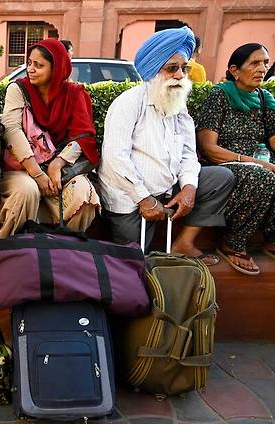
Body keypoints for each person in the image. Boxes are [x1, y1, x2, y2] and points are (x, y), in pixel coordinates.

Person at [98, 26, 235, 263]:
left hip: (168, 190)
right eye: (172, 68)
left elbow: (188, 153)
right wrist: (144, 199)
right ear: (152, 70)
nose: (180, 75)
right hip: (130, 198)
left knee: (222, 177)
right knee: (135, 264)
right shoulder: (128, 104)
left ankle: (184, 243)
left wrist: (189, 187)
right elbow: (114, 158)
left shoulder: (177, 105)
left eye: (184, 68)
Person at [0, 38, 99, 237]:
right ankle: (11, 251)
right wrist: (37, 174)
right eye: (29, 63)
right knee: (27, 191)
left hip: (62, 168)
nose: (30, 69)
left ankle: (63, 250)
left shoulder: (75, 94)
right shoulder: (18, 89)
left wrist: (57, 164)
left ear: (57, 68)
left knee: (84, 196)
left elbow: (83, 135)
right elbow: (11, 129)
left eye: (39, 65)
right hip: (23, 168)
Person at [197, 43, 275, 275]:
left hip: (262, 162)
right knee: (262, 177)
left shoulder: (264, 98)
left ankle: (272, 238)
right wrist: (254, 162)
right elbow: (209, 148)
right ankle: (233, 241)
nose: (262, 69)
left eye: (265, 63)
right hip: (227, 164)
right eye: (254, 63)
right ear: (234, 70)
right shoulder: (219, 95)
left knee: (265, 173)